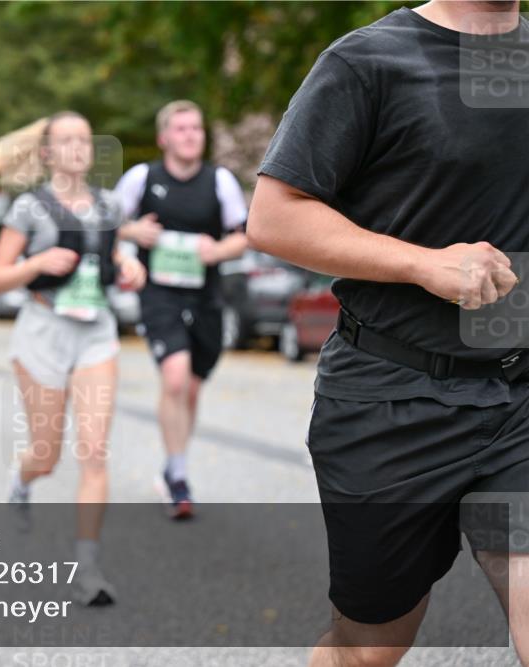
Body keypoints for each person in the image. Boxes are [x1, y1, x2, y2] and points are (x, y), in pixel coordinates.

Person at [246, 2, 528, 665]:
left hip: (518, 396)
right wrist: (422, 263)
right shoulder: (367, 62)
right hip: (391, 398)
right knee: (369, 647)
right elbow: (274, 218)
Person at [0, 111, 146, 606]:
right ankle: (21, 478)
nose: (77, 148)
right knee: (47, 455)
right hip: (43, 330)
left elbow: (112, 255)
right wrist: (36, 263)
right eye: (66, 141)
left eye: (84, 140)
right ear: (48, 153)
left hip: (95, 331)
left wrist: (130, 263)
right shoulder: (29, 209)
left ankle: (88, 567)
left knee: (94, 451)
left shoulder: (108, 205)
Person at [114, 100, 248, 518]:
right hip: (158, 294)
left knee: (190, 387)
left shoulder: (220, 181)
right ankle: (178, 475)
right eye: (182, 128)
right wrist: (133, 232)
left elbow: (245, 236)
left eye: (197, 128)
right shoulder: (142, 178)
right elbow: (106, 222)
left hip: (205, 295)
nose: (191, 135)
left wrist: (216, 251)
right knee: (174, 378)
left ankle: (174, 463)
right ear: (164, 138)